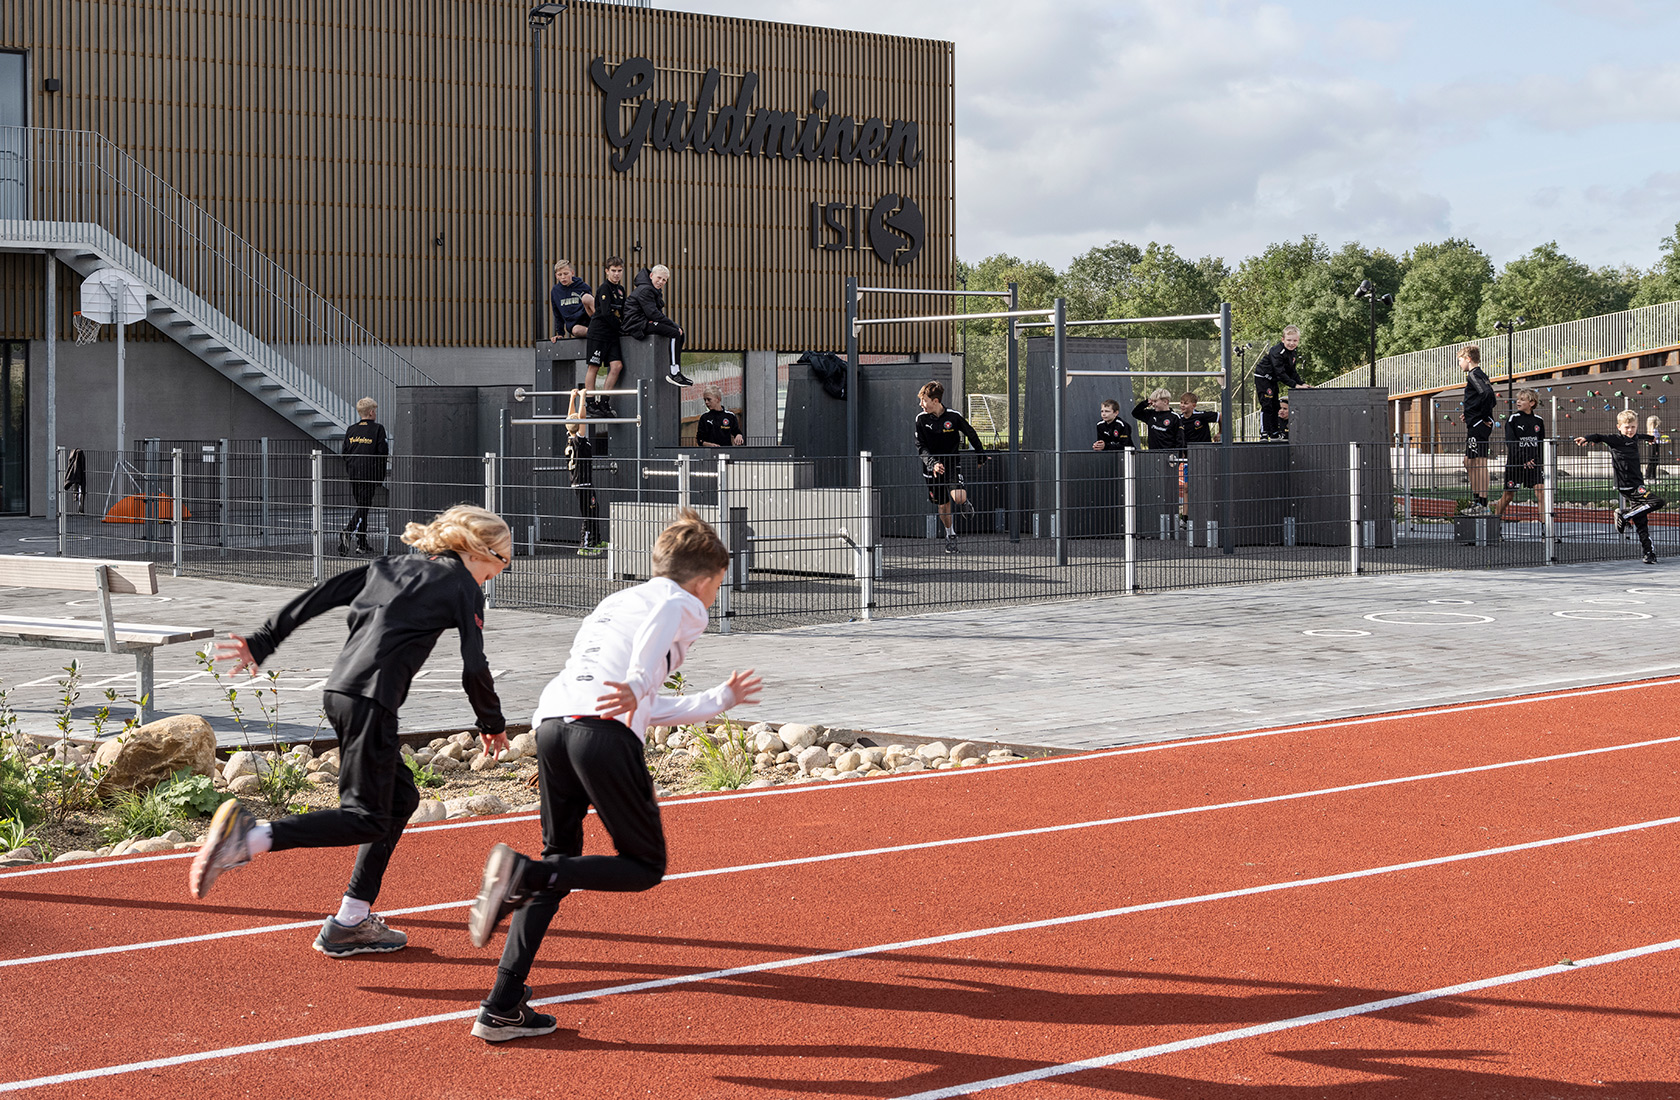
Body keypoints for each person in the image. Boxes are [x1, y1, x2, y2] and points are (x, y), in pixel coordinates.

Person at [464, 509, 762, 1043]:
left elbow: (642, 702)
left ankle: (502, 1002)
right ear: (707, 578)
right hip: (601, 732)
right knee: (644, 865)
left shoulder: (614, 602)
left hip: (555, 725)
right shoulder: (680, 601)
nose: (713, 599)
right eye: (718, 586)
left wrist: (718, 698)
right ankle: (523, 876)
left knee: (561, 864)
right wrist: (638, 678)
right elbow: (646, 661)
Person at [189, 505, 513, 956]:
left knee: (401, 799)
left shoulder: (389, 566)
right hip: (371, 703)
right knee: (365, 817)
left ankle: (351, 920)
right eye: (503, 562)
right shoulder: (462, 586)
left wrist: (263, 640)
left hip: (340, 694)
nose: (500, 572)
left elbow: (320, 594)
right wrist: (492, 724)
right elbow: (474, 665)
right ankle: (251, 837)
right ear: (479, 550)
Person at [1576, 410, 1666, 565]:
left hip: (1638, 483)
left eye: (1633, 427)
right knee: (1658, 502)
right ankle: (1624, 515)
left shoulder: (1635, 437)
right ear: (1619, 427)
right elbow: (1599, 436)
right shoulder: (1616, 439)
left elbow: (1642, 436)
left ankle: (1649, 553)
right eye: (1626, 427)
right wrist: (1586, 438)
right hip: (1627, 484)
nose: (1630, 430)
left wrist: (1651, 438)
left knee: (1641, 521)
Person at [914, 380, 988, 554]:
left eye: (924, 400)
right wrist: (932, 463)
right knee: (943, 505)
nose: (921, 404)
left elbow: (971, 433)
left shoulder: (953, 417)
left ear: (936, 401)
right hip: (931, 469)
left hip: (952, 465)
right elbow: (921, 447)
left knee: (959, 497)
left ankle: (965, 503)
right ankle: (950, 535)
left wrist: (981, 455)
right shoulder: (921, 419)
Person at [621, 264, 694, 387]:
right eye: (659, 278)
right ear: (651, 275)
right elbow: (653, 313)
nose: (661, 282)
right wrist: (675, 325)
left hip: (643, 321)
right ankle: (674, 373)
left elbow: (655, 313)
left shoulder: (653, 290)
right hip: (636, 324)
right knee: (675, 332)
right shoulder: (646, 289)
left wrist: (675, 326)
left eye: (664, 280)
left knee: (680, 332)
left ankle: (676, 371)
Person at [338, 397, 389, 557]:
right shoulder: (378, 429)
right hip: (370, 473)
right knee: (364, 507)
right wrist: (380, 476)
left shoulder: (351, 429)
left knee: (362, 506)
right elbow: (382, 453)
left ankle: (362, 543)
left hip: (354, 472)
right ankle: (348, 531)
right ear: (372, 412)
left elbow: (345, 452)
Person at [1492, 388, 1547, 522]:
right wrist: (1524, 459)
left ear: (1532, 403)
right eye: (1518, 399)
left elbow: (1541, 444)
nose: (1518, 402)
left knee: (1541, 494)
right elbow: (1511, 442)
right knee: (1508, 496)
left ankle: (1547, 532)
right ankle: (1493, 525)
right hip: (1516, 465)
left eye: (1522, 399)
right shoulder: (1513, 419)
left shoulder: (1539, 421)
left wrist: (1540, 462)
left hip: (1534, 465)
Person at [583, 258, 627, 418]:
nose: (616, 274)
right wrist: (622, 327)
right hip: (599, 333)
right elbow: (607, 313)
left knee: (617, 366)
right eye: (613, 270)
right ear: (607, 271)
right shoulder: (604, 288)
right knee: (593, 367)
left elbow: (623, 312)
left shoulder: (621, 290)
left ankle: (604, 402)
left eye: (619, 270)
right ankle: (590, 402)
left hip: (613, 335)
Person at [565, 388, 606, 557]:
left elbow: (571, 420)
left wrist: (571, 398)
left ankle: (596, 539)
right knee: (589, 513)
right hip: (582, 483)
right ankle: (585, 544)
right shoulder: (579, 441)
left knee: (594, 508)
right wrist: (582, 398)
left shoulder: (570, 436)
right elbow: (580, 418)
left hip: (582, 482)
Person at [1459, 345, 1496, 514]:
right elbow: (1486, 396)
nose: (1459, 363)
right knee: (1469, 462)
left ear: (1468, 358)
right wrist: (1469, 413)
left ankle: (1481, 503)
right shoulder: (1479, 375)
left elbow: (1487, 394)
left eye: (1459, 360)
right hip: (1474, 423)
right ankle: (1477, 500)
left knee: (1479, 463)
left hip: (1478, 426)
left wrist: (1484, 417)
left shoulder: (1473, 374)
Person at [1253, 326, 1309, 440]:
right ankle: (1264, 432)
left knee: (1275, 405)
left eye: (1294, 341)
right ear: (1283, 339)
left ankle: (1274, 431)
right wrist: (1294, 385)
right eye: (1289, 340)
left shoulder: (1293, 353)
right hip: (1263, 377)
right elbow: (1280, 373)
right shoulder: (1277, 351)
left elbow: (1292, 371)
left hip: (1273, 379)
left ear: (1298, 340)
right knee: (1267, 404)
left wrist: (1301, 383)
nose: (1291, 343)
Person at [1131, 389, 1184, 454]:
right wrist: (1146, 403)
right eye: (1152, 402)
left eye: (1155, 401)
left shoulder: (1175, 417)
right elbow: (1135, 413)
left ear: (1165, 402)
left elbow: (1180, 439)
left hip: (1169, 456)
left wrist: (1178, 456)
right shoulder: (1150, 414)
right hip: (1153, 455)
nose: (1153, 404)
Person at [550, 261, 591, 341]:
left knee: (588, 298)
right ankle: (598, 332)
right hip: (575, 325)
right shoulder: (555, 291)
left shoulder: (583, 286)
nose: (563, 277)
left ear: (572, 273)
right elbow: (557, 314)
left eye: (566, 274)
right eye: (560, 275)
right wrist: (560, 333)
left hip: (589, 320)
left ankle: (601, 327)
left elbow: (591, 306)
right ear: (556, 276)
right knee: (576, 330)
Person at [1646, 414, 1665, 482]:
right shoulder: (1653, 430)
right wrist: (1664, 441)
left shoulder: (1654, 430)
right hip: (1654, 446)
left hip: (1654, 446)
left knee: (1653, 462)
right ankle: (1650, 477)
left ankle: (1651, 477)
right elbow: (1655, 439)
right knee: (1653, 462)